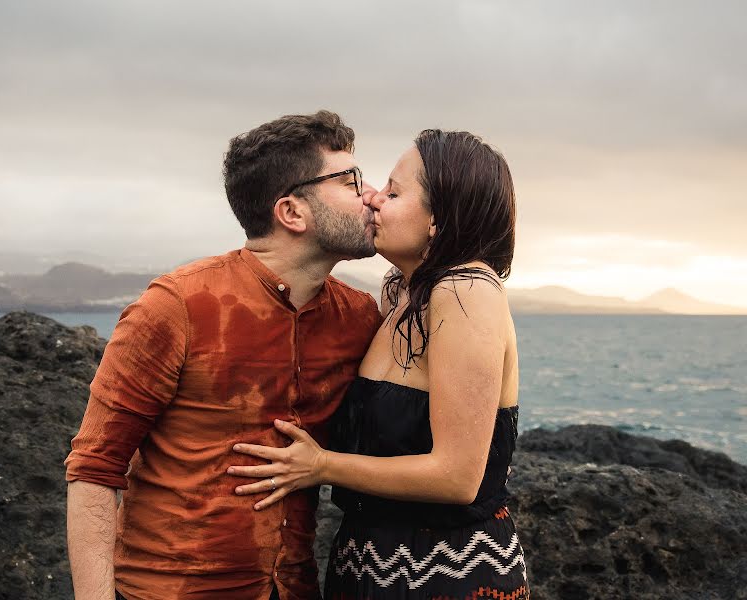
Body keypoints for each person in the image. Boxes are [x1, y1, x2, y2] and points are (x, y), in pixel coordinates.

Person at [64, 110, 384, 600]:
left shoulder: (359, 318)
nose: (371, 194)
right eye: (349, 179)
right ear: (291, 212)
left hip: (295, 588)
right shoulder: (178, 307)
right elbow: (94, 469)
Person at [229, 129, 530, 599]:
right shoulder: (400, 290)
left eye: (393, 191)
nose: (371, 199)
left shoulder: (466, 291)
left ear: (439, 219)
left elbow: (457, 477)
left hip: (446, 571)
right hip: (365, 561)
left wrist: (322, 466)